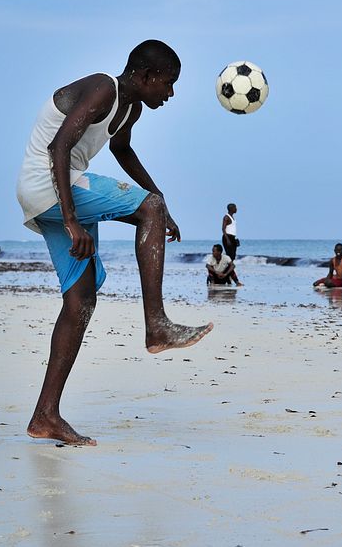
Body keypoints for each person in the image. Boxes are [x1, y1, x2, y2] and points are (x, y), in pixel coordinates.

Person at [16, 39, 213, 446]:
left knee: (81, 300)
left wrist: (161, 204)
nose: (171, 93)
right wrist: (72, 220)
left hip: (55, 192)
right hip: (50, 183)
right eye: (168, 83)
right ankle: (156, 326)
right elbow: (59, 146)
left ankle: (45, 416)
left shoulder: (131, 107)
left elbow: (123, 152)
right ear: (145, 76)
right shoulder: (105, 89)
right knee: (149, 208)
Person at [221, 202, 241, 283]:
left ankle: (225, 276)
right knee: (230, 259)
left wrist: (234, 240)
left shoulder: (232, 217)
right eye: (235, 207)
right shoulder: (226, 217)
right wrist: (228, 240)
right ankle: (226, 276)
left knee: (232, 259)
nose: (236, 209)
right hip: (227, 238)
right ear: (231, 208)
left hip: (232, 238)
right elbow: (223, 229)